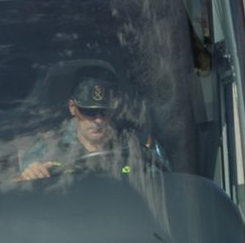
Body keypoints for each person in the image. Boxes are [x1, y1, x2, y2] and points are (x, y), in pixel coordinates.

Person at [16, 67, 167, 181]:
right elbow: (16, 192)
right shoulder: (47, 147)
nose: (98, 119)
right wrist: (27, 177)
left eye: (104, 111)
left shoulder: (137, 145)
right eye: (88, 111)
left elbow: (166, 187)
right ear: (73, 108)